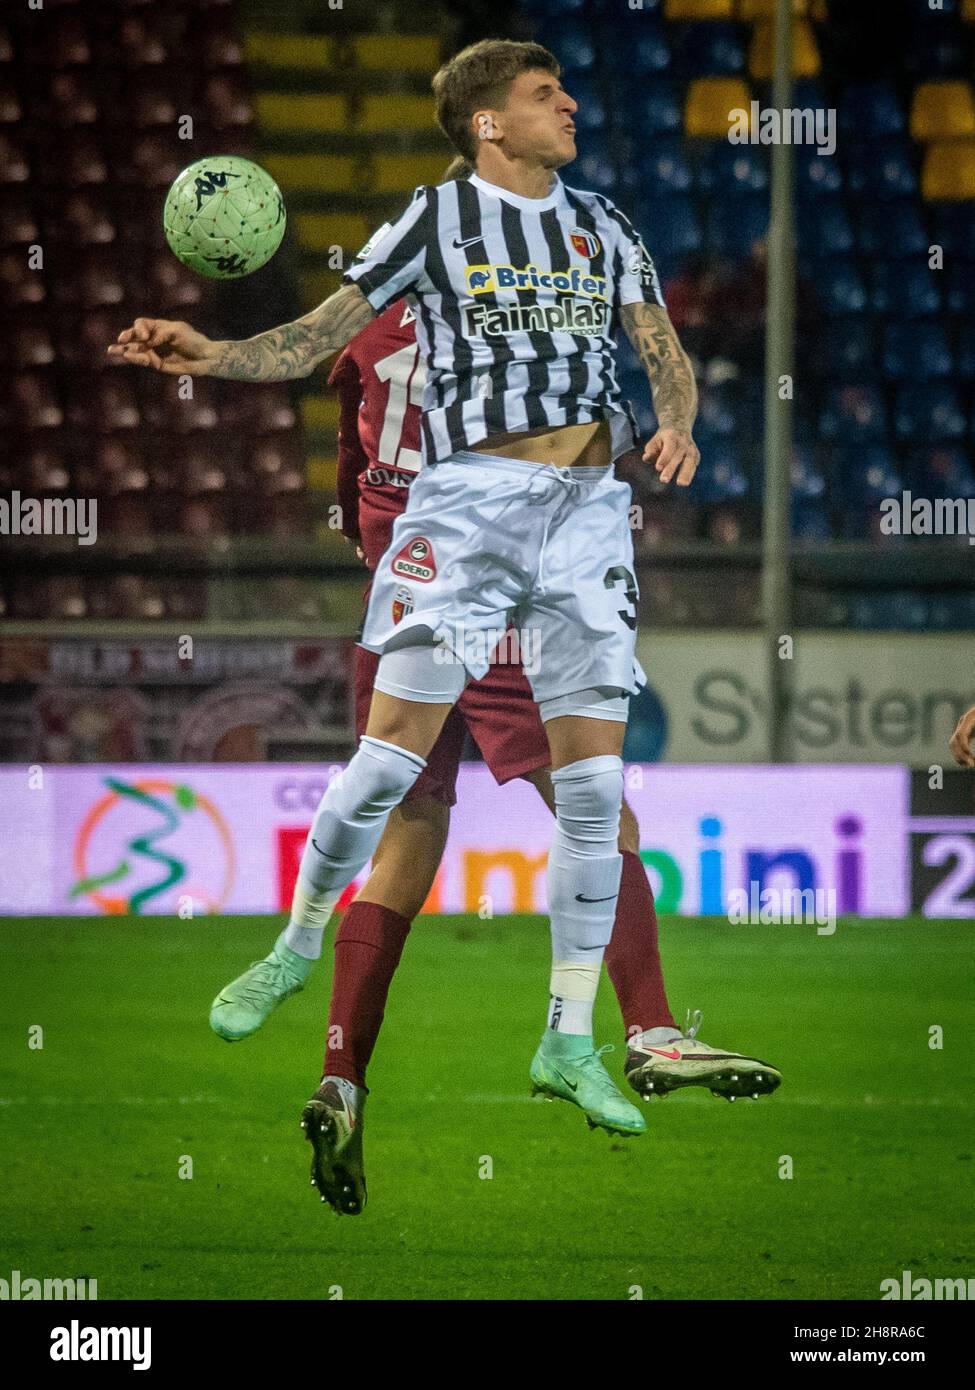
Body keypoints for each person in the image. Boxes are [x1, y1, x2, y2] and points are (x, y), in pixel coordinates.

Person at [108, 39, 743, 1198]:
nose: (573, 102)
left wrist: (675, 420)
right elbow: (314, 338)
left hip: (539, 526)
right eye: (548, 93)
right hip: (468, 535)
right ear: (490, 124)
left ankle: (371, 1071)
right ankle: (626, 1024)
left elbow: (658, 348)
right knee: (512, 800)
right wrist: (214, 355)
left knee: (431, 824)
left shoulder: (599, 225)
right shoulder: (433, 232)